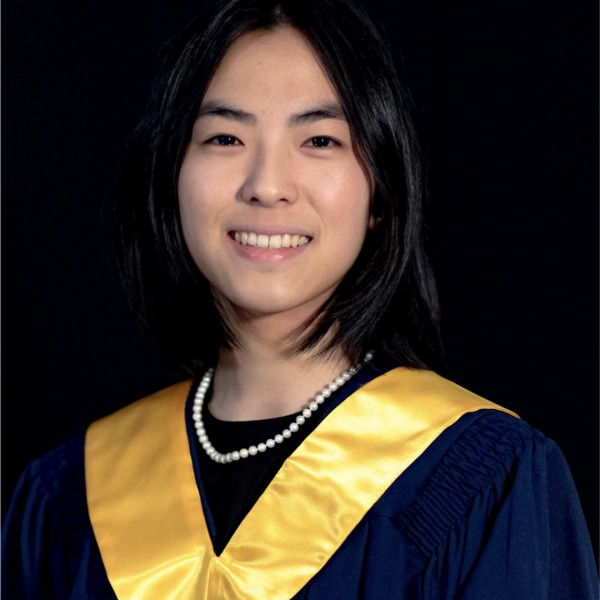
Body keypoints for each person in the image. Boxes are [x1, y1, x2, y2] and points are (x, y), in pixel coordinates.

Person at [2, 0, 597, 598]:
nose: (266, 185)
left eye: (318, 139)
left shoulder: (481, 480)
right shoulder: (67, 501)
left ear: (381, 192)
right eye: (225, 136)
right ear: (169, 178)